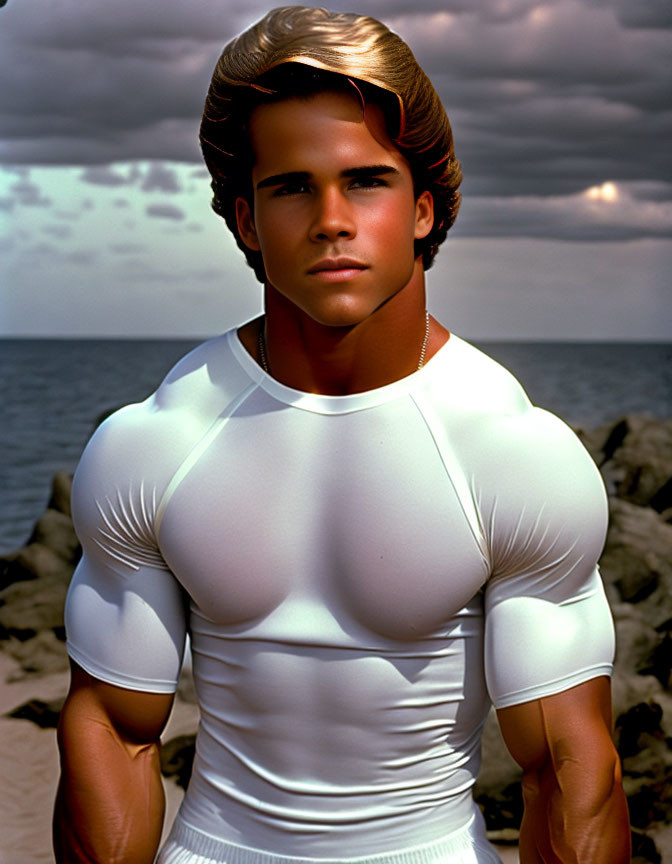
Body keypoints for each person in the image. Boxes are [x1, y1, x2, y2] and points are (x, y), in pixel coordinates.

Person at [53, 7, 631, 864]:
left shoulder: (512, 454)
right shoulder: (154, 444)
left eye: (365, 181)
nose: (331, 218)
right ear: (247, 222)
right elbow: (111, 726)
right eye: (291, 186)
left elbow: (570, 770)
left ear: (425, 209)